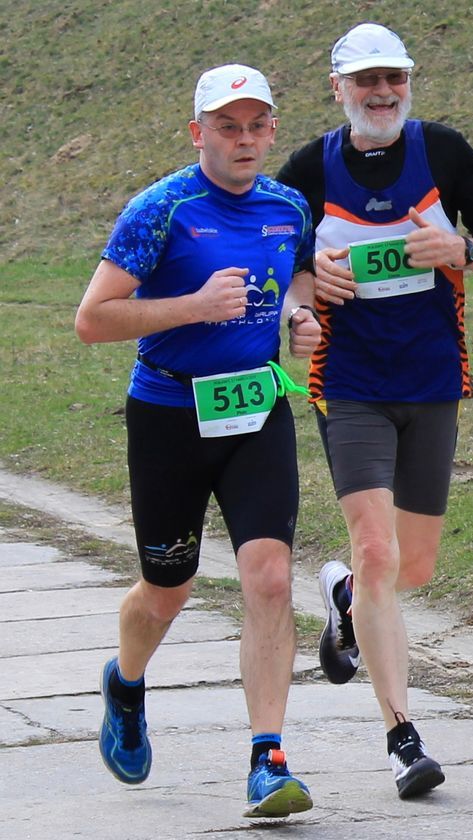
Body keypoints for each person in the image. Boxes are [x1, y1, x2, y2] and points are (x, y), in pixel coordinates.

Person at [275, 22, 473, 798]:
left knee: (411, 567)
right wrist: (305, 287)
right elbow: (275, 262)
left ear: (407, 83)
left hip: (433, 380)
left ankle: (344, 597)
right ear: (338, 89)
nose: (381, 93)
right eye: (365, 81)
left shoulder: (442, 151)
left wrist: (461, 252)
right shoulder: (307, 169)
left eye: (394, 79)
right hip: (347, 385)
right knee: (378, 551)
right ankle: (402, 739)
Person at [74, 65, 321, 817]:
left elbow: (298, 276)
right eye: (227, 127)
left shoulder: (288, 205)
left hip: (256, 411)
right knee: (167, 591)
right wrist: (191, 306)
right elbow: (93, 319)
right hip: (169, 417)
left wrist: (300, 317)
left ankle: (267, 760)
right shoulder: (160, 210)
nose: (244, 140)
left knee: (270, 578)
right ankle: (126, 684)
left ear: (272, 131)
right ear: (198, 133)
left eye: (256, 126)